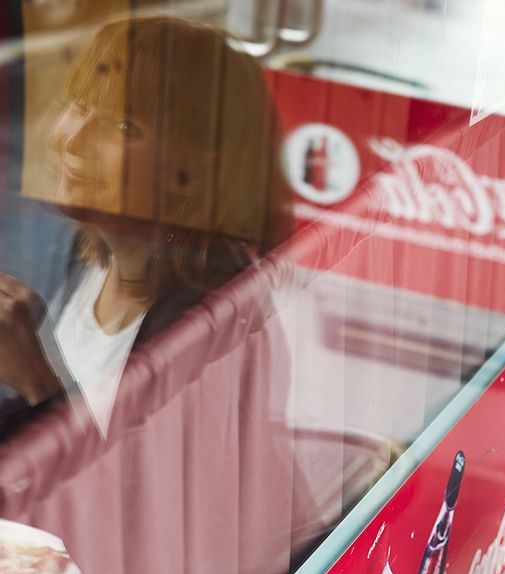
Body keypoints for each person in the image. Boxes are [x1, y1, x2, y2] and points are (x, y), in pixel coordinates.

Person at [0, 14, 290, 433]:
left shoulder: (211, 325)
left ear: (195, 171)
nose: (73, 140)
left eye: (122, 126)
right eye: (78, 105)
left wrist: (37, 380)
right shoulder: (81, 249)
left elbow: (137, 474)